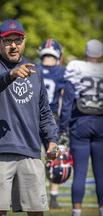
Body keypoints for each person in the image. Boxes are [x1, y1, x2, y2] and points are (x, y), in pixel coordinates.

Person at [0, 19, 60, 216]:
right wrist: (11, 74)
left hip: (30, 150)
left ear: (24, 41)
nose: (13, 45)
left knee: (36, 211)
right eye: (8, 41)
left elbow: (44, 110)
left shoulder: (35, 70)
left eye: (18, 40)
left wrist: (52, 139)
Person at [59, 39, 103, 216]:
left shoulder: (76, 67)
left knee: (80, 173)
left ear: (86, 53)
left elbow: (68, 101)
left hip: (81, 123)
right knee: (101, 173)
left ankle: (76, 212)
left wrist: (63, 129)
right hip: (101, 124)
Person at [38, 38, 66, 209]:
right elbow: (65, 100)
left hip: (32, 118)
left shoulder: (33, 68)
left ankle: (27, 194)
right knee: (54, 157)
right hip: (52, 118)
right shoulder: (62, 72)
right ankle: (53, 197)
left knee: (30, 157)